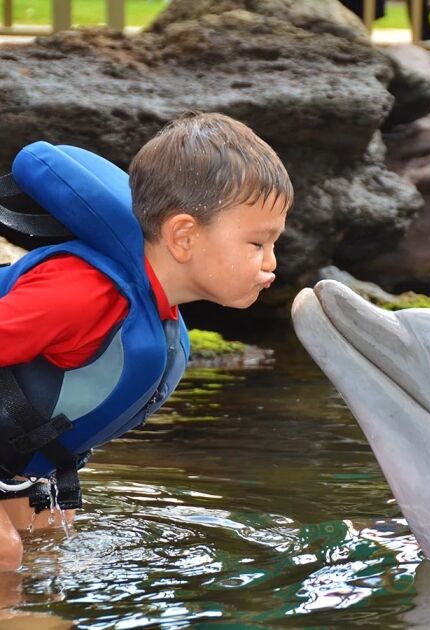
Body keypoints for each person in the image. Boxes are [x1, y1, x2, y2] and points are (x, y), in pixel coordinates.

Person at [0, 112, 293, 570]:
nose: (271, 263)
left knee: (49, 537)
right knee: (4, 553)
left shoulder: (159, 320)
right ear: (183, 236)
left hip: (15, 464)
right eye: (258, 244)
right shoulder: (81, 293)